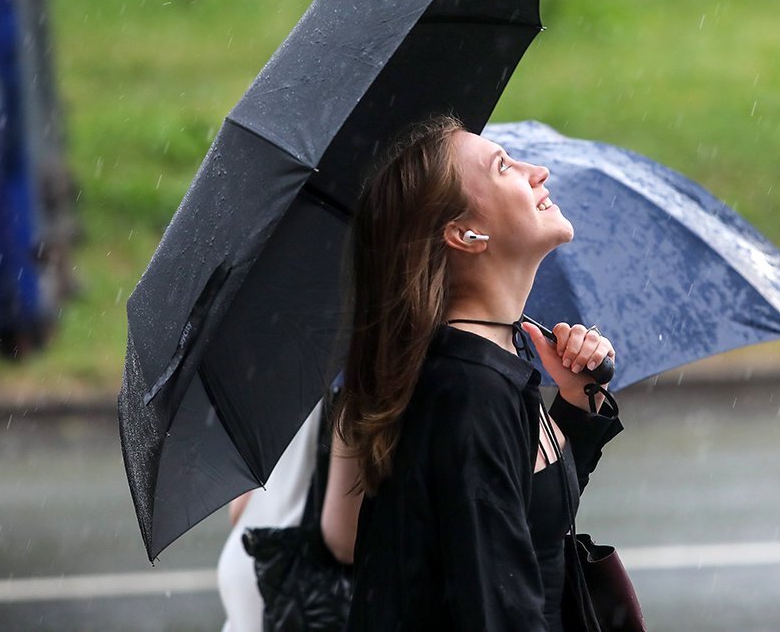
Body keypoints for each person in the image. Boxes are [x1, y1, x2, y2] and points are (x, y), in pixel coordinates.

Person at [328, 114, 623, 631]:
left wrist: (576, 404)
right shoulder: (468, 392)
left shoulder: (485, 366)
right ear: (466, 234)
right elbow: (495, 610)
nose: (539, 171)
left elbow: (529, 521)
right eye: (504, 166)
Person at [217, 399, 323, 632]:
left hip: (247, 560)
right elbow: (342, 538)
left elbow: (238, 509)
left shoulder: (275, 387)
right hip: (291, 589)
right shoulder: (346, 387)